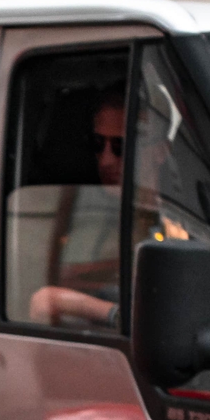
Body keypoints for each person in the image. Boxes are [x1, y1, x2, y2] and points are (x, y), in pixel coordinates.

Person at [26, 90, 127, 328]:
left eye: (120, 146)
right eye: (97, 144)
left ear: (161, 150)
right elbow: (41, 303)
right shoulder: (80, 211)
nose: (105, 160)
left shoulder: (178, 221)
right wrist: (116, 315)